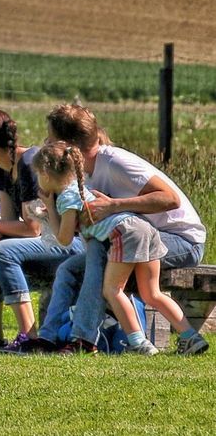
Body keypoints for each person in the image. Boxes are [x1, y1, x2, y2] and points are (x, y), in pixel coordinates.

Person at [22, 104, 207, 354]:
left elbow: (170, 199)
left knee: (101, 254)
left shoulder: (114, 162)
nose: (46, 141)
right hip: (133, 236)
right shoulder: (78, 173)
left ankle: (86, 339)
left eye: (50, 137)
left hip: (181, 241)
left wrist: (113, 205)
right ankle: (51, 336)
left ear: (66, 144)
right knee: (70, 268)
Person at [0, 109, 83, 351]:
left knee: (1, 252)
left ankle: (29, 336)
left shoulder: (29, 164)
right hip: (46, 242)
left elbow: (32, 228)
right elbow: (10, 223)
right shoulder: (1, 169)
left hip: (68, 242)